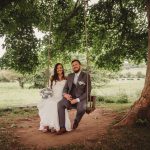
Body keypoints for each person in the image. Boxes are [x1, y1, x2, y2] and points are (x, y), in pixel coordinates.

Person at [57, 59, 91, 135]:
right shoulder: (70, 76)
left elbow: (88, 91)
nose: (74, 66)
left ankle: (76, 120)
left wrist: (77, 100)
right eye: (73, 65)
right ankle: (62, 127)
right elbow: (65, 88)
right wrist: (65, 94)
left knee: (82, 108)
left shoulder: (86, 76)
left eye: (76, 64)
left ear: (80, 65)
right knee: (60, 104)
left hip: (80, 99)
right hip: (70, 98)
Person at [37, 63, 71, 132]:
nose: (59, 69)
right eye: (58, 68)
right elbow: (49, 89)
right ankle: (48, 125)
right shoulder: (52, 78)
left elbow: (68, 89)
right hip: (53, 96)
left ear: (63, 69)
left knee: (56, 104)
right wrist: (45, 93)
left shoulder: (66, 78)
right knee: (49, 103)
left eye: (61, 67)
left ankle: (55, 126)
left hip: (61, 97)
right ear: (56, 69)